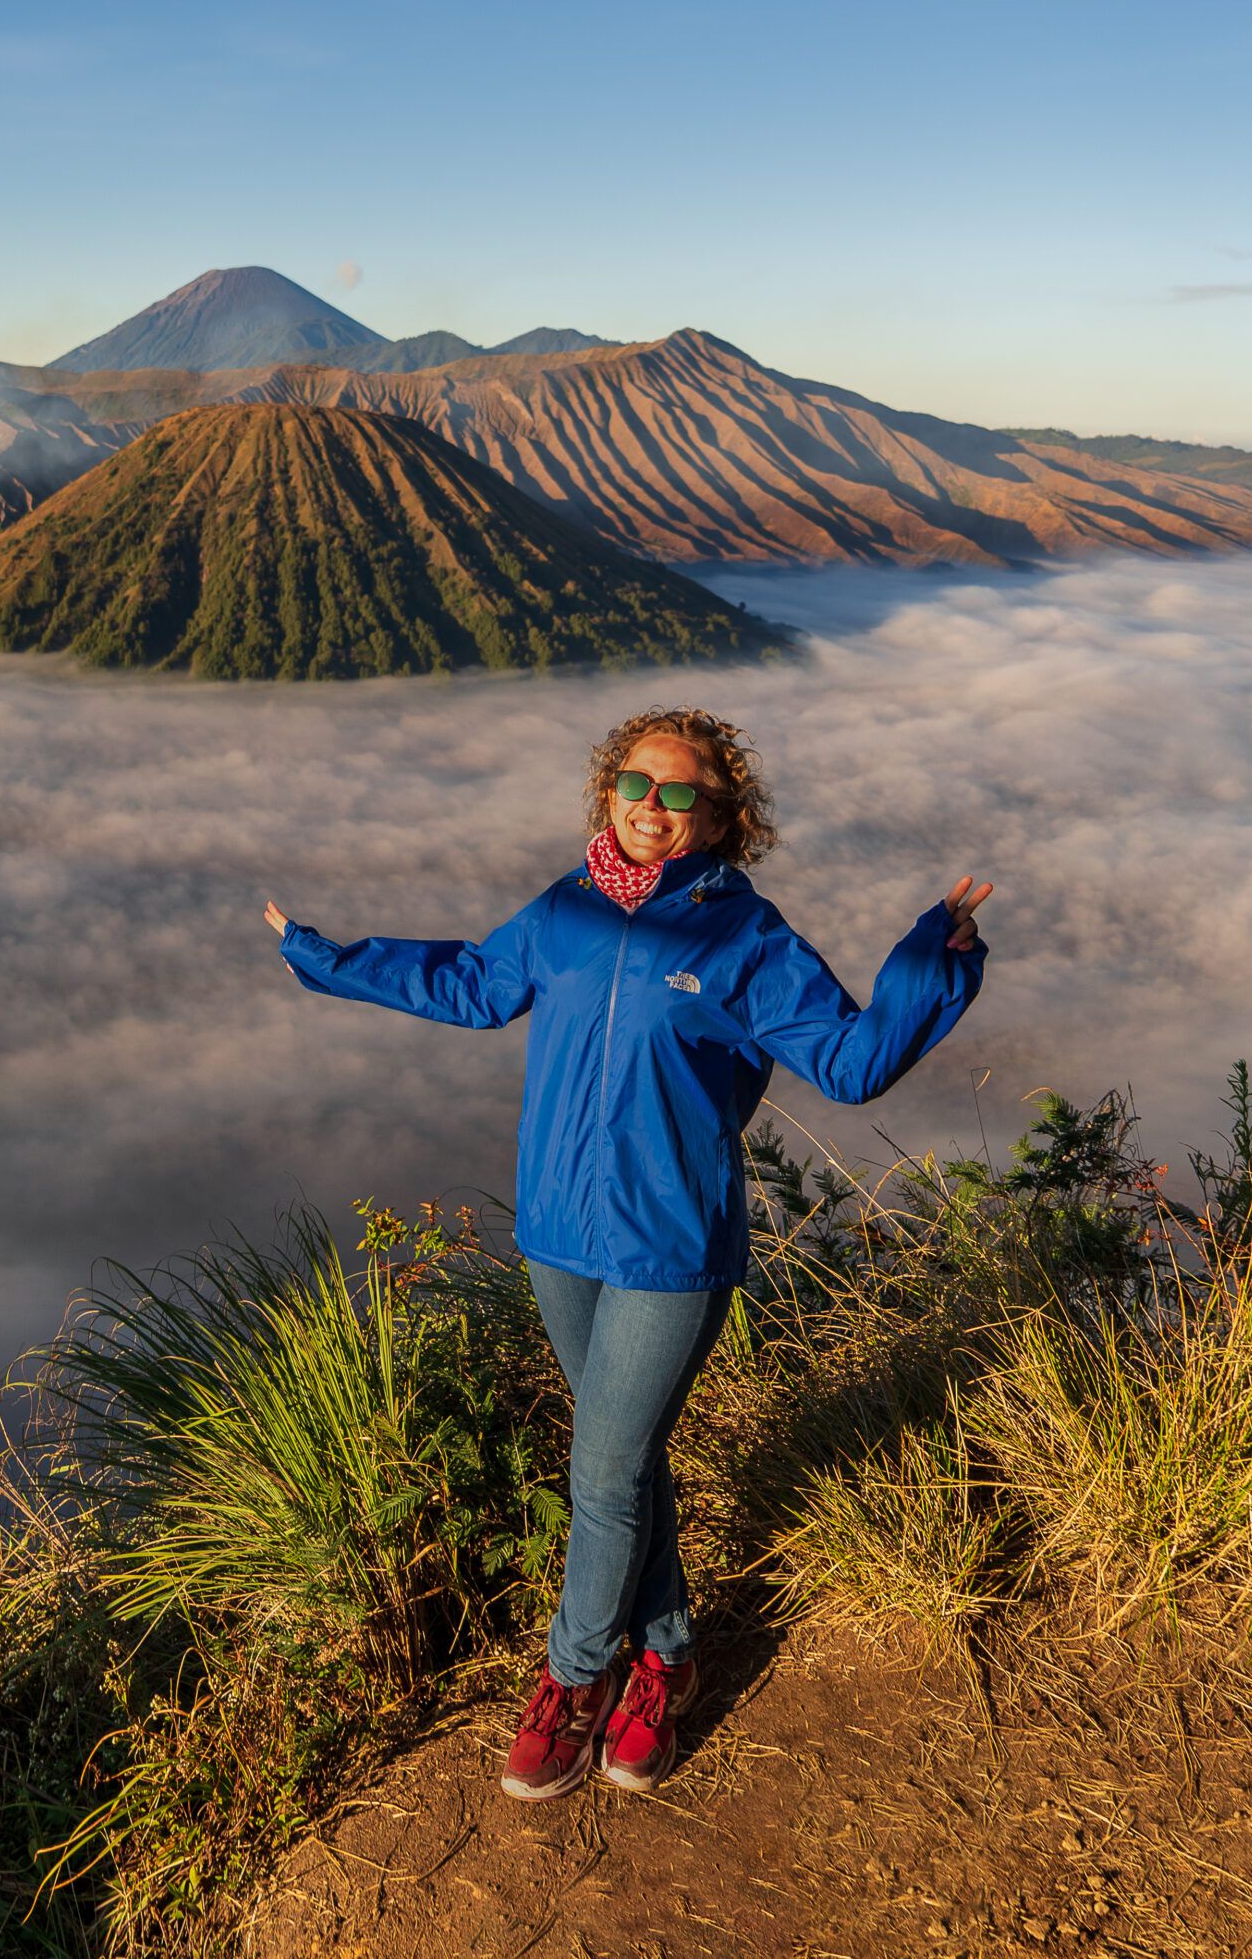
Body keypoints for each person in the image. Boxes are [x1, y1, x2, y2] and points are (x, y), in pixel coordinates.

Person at [262, 705, 990, 1800]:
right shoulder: (564, 911)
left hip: (670, 1246)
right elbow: (469, 981)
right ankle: (671, 1654)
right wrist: (321, 956)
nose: (654, 808)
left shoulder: (746, 941)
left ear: (722, 816)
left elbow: (847, 1062)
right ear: (608, 794)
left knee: (601, 1470)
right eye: (635, 787)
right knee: (628, 1461)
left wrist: (933, 961)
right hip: (558, 1233)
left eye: (681, 792)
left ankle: (574, 1678)